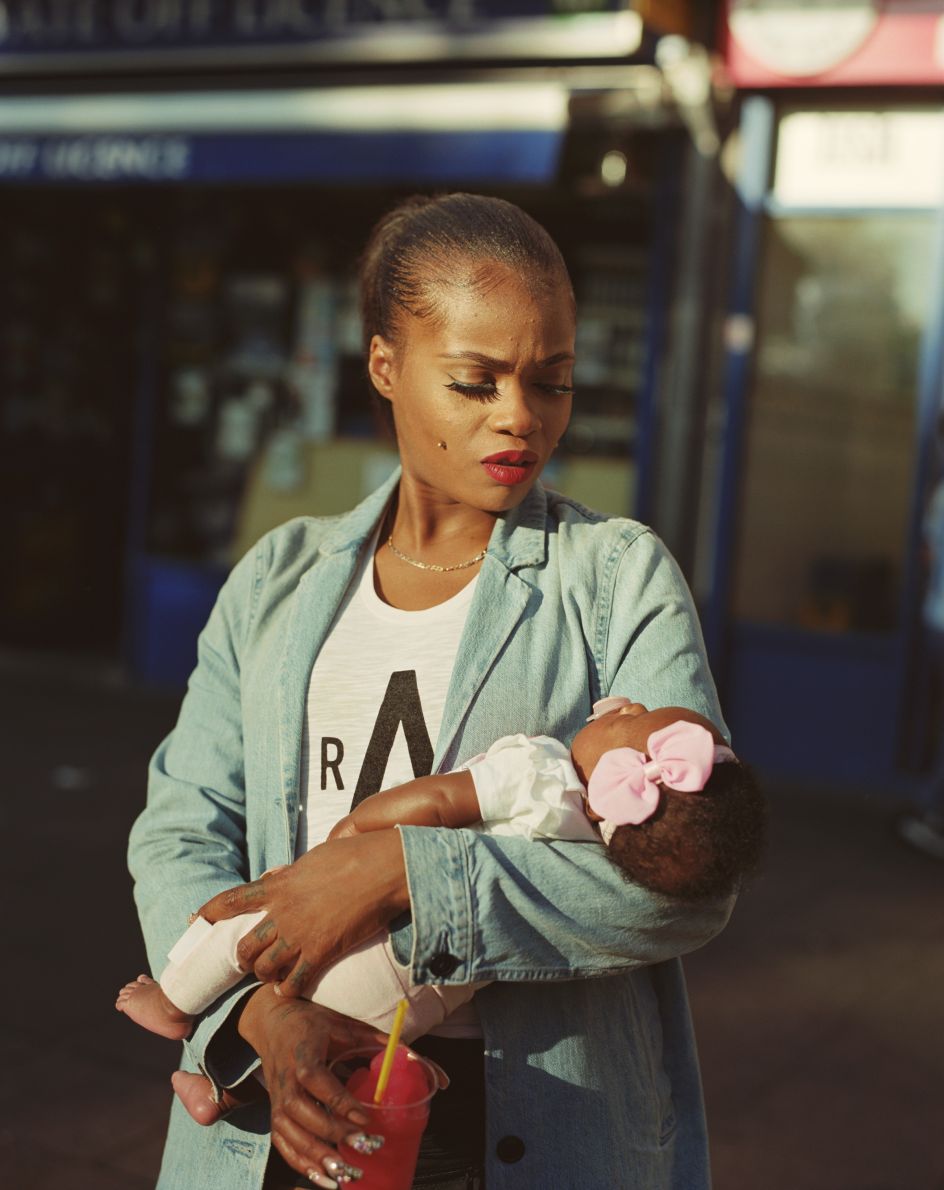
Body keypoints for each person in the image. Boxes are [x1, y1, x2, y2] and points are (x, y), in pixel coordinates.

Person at [128, 192, 737, 1190]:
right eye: (474, 379)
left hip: (528, 1128)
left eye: (552, 381)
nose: (519, 416)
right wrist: (254, 1011)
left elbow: (688, 880)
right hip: (271, 1117)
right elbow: (182, 825)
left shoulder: (613, 576)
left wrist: (406, 874)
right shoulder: (278, 580)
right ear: (384, 366)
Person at [119, 699, 765, 1127]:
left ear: (620, 781)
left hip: (379, 932)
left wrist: (357, 842)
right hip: (431, 991)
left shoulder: (541, 773)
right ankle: (219, 1092)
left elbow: (434, 801)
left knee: (248, 929)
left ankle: (176, 1002)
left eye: (636, 719)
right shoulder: (602, 845)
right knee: (327, 1042)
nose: (628, 705)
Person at [897, 464, 944, 861]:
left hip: (936, 619)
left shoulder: (939, 495)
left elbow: (927, 554)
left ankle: (930, 807)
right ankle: (932, 811)